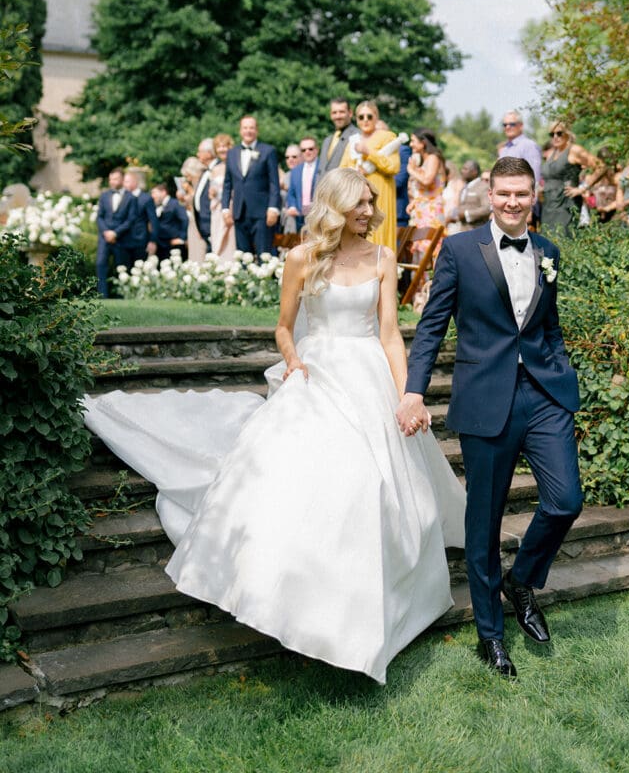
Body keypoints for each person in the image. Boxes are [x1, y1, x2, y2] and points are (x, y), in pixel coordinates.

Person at [84, 168, 465, 684]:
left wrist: (406, 396)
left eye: (370, 202)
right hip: (317, 374)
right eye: (358, 202)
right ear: (334, 205)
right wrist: (293, 361)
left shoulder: (381, 258)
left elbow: (392, 334)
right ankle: (291, 598)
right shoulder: (301, 258)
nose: (367, 210)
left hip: (369, 376)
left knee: (378, 483)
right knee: (302, 483)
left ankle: (373, 608)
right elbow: (284, 329)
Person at [396, 156, 583, 680]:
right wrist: (414, 391)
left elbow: (549, 325)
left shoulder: (549, 252)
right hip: (485, 398)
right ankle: (491, 636)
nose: (512, 202)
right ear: (490, 193)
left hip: (545, 394)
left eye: (521, 193)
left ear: (533, 194)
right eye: (503, 193)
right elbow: (432, 327)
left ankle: (520, 580)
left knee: (566, 499)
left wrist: (562, 372)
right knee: (484, 521)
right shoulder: (458, 251)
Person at [340, 101, 400, 251]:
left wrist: (369, 153)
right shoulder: (353, 141)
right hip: (356, 198)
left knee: (378, 234)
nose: (365, 120)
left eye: (369, 116)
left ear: (376, 117)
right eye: (361, 117)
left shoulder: (387, 137)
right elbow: (342, 170)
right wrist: (354, 172)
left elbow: (393, 166)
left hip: (380, 195)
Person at [222, 115, 281, 256]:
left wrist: (273, 208)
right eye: (245, 128)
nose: (248, 131)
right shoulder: (232, 153)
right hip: (239, 212)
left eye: (252, 128)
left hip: (262, 213)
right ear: (240, 130)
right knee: (243, 256)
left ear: (257, 130)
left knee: (264, 255)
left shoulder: (268, 151)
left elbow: (274, 183)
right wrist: (225, 208)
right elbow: (227, 183)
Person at [540, 121, 604, 237]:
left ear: (567, 134)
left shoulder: (574, 150)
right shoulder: (553, 153)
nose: (555, 137)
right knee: (547, 244)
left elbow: (601, 167)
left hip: (565, 204)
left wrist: (582, 188)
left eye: (559, 133)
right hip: (549, 206)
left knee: (563, 240)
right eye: (552, 134)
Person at [406, 128, 446, 267]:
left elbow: (428, 180)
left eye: (413, 141)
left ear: (423, 143)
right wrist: (415, 202)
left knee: (430, 249)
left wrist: (412, 171)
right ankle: (420, 286)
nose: (410, 144)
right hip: (422, 211)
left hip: (432, 211)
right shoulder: (425, 160)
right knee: (420, 252)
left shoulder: (433, 158)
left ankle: (430, 285)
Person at [95, 168, 138, 297]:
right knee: (100, 264)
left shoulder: (131, 198)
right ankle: (102, 296)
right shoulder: (104, 196)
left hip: (122, 238)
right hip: (104, 238)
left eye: (115, 179)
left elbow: (131, 220)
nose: (111, 182)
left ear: (122, 179)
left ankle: (122, 295)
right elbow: (99, 216)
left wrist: (116, 233)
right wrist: (106, 232)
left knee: (122, 268)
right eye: (110, 179)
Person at [122, 169, 158, 267]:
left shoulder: (146, 198)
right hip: (124, 242)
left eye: (127, 181)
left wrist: (153, 241)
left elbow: (153, 221)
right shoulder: (123, 197)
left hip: (140, 241)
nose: (124, 184)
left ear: (135, 182)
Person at [498, 110, 542, 189]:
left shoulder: (528, 146)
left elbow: (534, 177)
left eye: (512, 124)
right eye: (505, 125)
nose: (508, 127)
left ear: (521, 126)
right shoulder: (504, 149)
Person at [284, 136, 320, 232]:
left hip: (318, 217)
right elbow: (291, 193)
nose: (307, 152)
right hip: (299, 218)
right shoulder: (296, 170)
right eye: (303, 150)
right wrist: (292, 206)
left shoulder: (323, 167)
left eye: (310, 149)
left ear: (317, 150)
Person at [190, 138, 219, 254]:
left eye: (200, 151)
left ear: (208, 153)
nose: (197, 154)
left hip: (213, 222)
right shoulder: (204, 172)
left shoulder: (219, 168)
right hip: (203, 224)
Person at [209, 133, 235, 260]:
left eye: (225, 146)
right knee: (216, 241)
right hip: (217, 211)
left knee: (230, 241)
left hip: (231, 208)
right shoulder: (215, 169)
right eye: (219, 147)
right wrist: (212, 192)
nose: (222, 149)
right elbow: (211, 191)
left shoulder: (236, 166)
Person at [318, 97, 359, 176]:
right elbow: (320, 171)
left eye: (341, 112)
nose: (338, 116)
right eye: (334, 112)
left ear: (350, 113)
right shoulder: (327, 141)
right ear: (330, 115)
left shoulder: (357, 136)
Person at [151, 182, 188, 261]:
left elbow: (185, 219)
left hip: (173, 244)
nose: (152, 196)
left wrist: (181, 238)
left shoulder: (175, 203)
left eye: (154, 193)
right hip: (161, 245)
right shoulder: (156, 206)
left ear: (163, 192)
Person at [451, 159, 491, 231]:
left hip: (477, 230)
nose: (462, 171)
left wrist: (466, 214)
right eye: (462, 168)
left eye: (465, 169)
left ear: (474, 172)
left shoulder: (483, 187)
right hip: (463, 230)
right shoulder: (465, 187)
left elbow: (487, 208)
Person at [442, 160, 466, 235]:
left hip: (452, 221)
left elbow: (457, 203)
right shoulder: (444, 184)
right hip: (443, 220)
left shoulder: (458, 183)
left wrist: (449, 218)